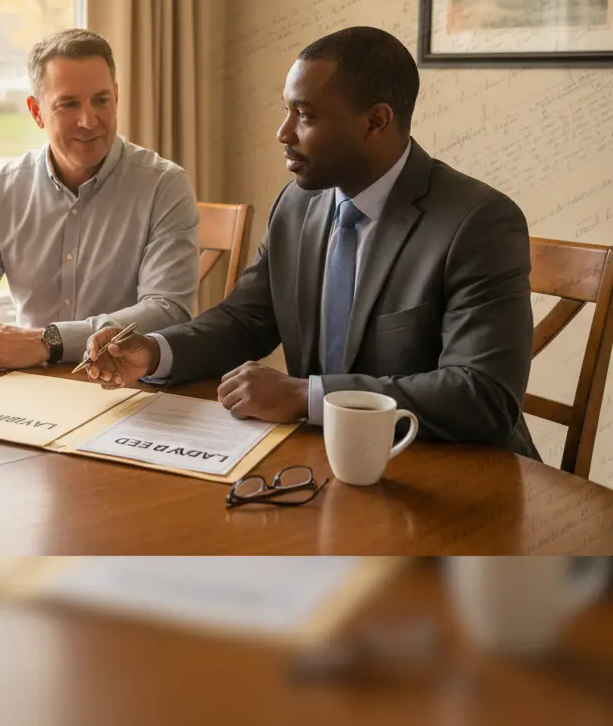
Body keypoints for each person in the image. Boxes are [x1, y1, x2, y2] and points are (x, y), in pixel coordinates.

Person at [83, 26, 541, 459]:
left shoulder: (478, 222)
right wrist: (155, 351)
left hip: (455, 476)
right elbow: (246, 319)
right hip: (323, 462)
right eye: (287, 111)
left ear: (376, 121)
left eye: (304, 115)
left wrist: (308, 395)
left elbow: (482, 396)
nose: (283, 133)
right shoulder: (298, 206)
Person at [0, 28, 199, 376]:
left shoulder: (164, 186)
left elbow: (168, 309)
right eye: (68, 104)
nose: (89, 120)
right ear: (36, 112)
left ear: (117, 97)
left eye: (101, 100)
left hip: (127, 386)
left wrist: (49, 341)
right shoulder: (0, 191)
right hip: (26, 389)